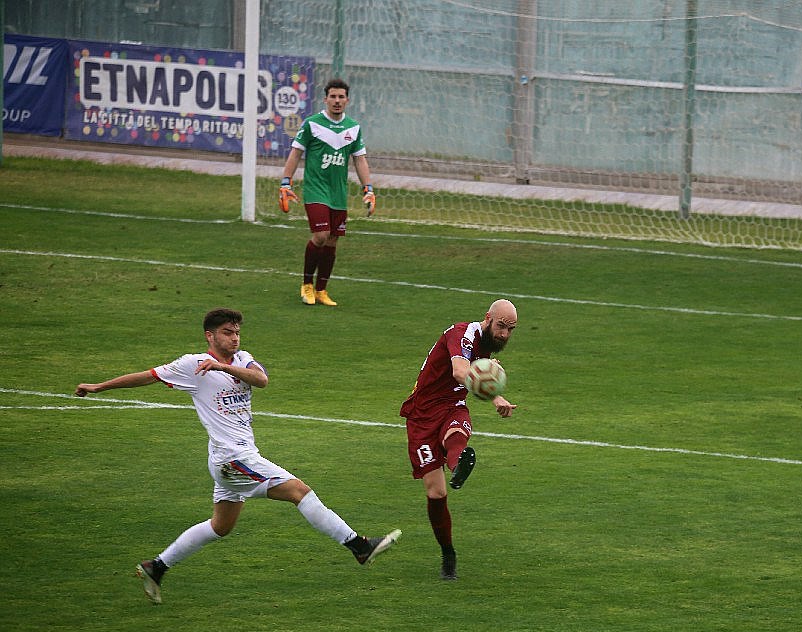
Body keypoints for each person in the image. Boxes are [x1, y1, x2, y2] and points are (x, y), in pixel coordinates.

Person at [75, 308, 400, 604]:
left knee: (221, 526)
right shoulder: (191, 366)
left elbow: (262, 380)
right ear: (210, 336)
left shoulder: (243, 359)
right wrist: (99, 387)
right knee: (299, 491)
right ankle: (358, 546)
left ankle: (156, 566)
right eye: (228, 333)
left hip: (233, 458)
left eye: (237, 332)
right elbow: (147, 376)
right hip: (232, 458)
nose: (234, 338)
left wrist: (222, 366)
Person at [399, 299, 518, 580]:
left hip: (452, 405)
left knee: (457, 434)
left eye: (511, 330)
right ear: (487, 318)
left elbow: (471, 370)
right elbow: (459, 371)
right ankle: (448, 553)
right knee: (436, 494)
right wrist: (495, 395)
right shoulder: (462, 333)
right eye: (501, 326)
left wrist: (488, 366)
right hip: (422, 415)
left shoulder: (487, 343)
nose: (504, 334)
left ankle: (458, 466)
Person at [279, 78, 376, 307]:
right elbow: (295, 154)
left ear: (347, 100)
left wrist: (368, 189)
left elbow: (360, 160)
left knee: (332, 241)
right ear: (325, 99)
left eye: (341, 97)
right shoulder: (312, 124)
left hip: (338, 194)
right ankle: (307, 285)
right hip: (315, 191)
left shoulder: (353, 127)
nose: (337, 101)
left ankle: (322, 290)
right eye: (333, 96)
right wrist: (286, 182)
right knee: (321, 236)